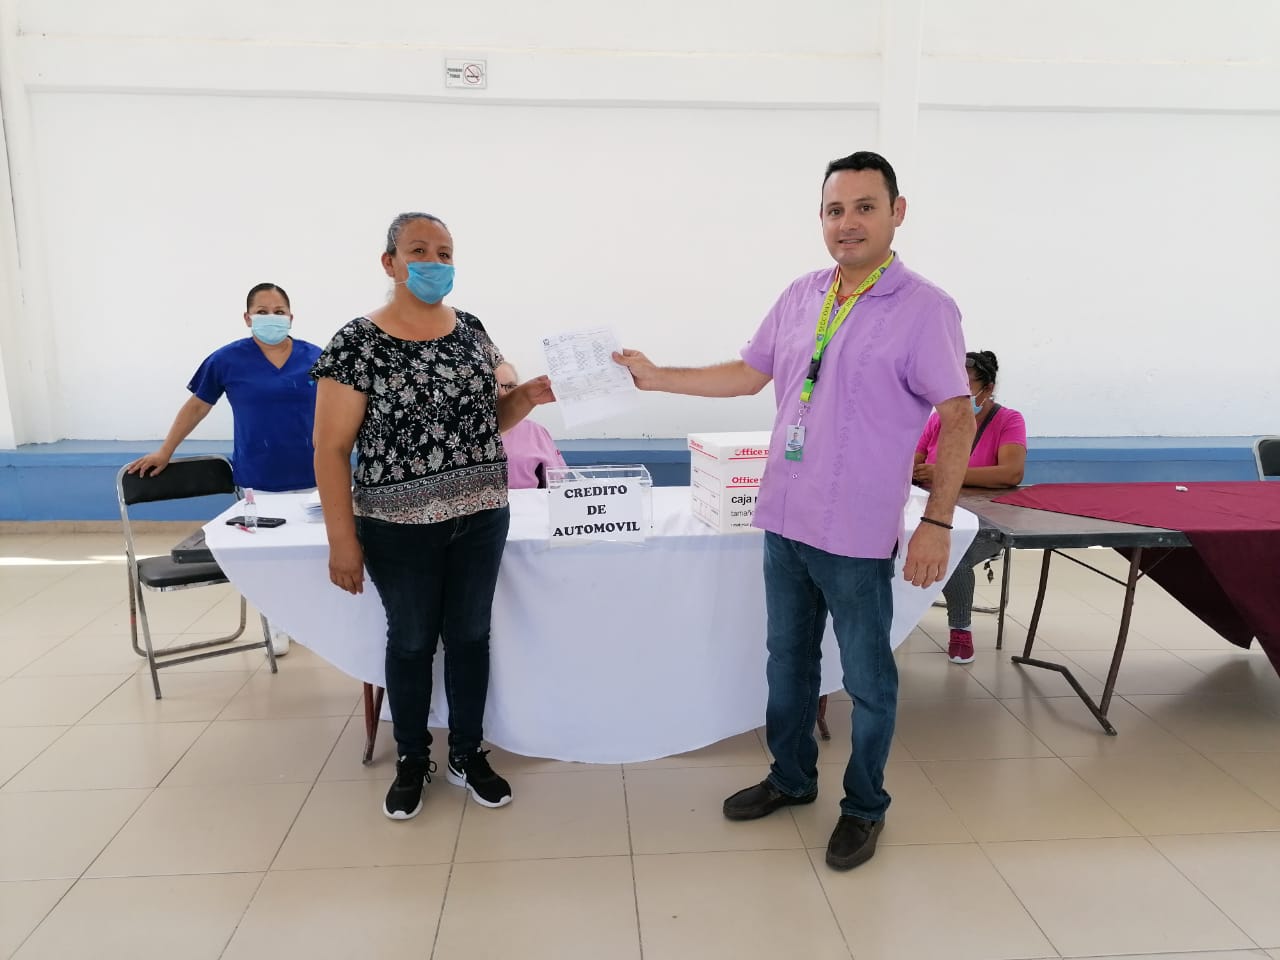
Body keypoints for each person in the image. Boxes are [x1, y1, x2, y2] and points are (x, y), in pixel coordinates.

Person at [614, 151, 973, 871]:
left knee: (868, 679)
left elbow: (958, 417)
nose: (848, 223)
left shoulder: (925, 309)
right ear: (821, 219)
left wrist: (935, 523)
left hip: (858, 531)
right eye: (835, 210)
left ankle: (864, 805)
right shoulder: (803, 294)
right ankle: (791, 777)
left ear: (897, 213)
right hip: (785, 517)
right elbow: (748, 374)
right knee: (787, 662)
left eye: (865, 207)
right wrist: (657, 377)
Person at [311, 211, 555, 821]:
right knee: (413, 640)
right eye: (419, 250)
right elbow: (331, 448)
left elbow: (488, 422)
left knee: (470, 637)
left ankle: (467, 753)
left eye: (445, 253)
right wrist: (342, 540)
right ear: (390, 262)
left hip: (481, 514)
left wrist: (525, 398)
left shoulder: (472, 330)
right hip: (397, 526)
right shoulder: (357, 343)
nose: (435, 263)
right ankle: (412, 757)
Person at [126, 282, 323, 655]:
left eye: (279, 311)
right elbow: (197, 406)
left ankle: (308, 623)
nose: (271, 317)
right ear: (247, 318)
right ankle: (275, 624)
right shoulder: (227, 360)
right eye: (262, 311)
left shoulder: (316, 357)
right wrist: (166, 451)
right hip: (258, 478)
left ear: (291, 317)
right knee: (268, 556)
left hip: (313, 475)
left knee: (310, 555)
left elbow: (344, 406)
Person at [913, 350, 1027, 664]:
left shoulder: (1008, 421)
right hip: (936, 510)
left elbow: (1012, 473)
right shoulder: (939, 420)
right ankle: (898, 619)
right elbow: (914, 461)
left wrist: (946, 473)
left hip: (986, 520)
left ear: (988, 389)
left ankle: (960, 629)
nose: (955, 394)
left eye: (965, 387)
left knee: (953, 555)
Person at [495, 361, 566, 489]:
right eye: (492, 387)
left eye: (510, 387)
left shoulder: (535, 432)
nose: (502, 394)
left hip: (529, 500)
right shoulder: (460, 435)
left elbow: (557, 483)